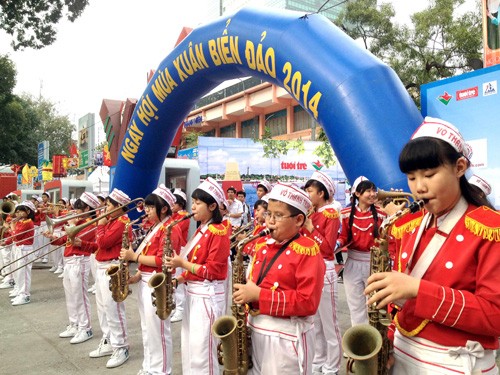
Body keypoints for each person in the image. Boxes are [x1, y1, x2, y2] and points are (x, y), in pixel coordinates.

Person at [365, 117, 500, 374]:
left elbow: (495, 316)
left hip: (455, 362)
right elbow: (403, 303)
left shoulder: (491, 229)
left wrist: (417, 289)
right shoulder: (411, 225)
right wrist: (387, 342)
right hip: (403, 353)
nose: (419, 188)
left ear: (460, 167)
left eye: (429, 175)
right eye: (412, 178)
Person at [233, 183, 326, 374]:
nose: (270, 221)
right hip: (255, 330)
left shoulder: (308, 250)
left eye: (278, 215)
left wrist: (259, 294)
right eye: (268, 214)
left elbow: (307, 302)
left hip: (285, 339)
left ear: (299, 219)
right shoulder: (263, 245)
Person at [165, 177, 230, 375]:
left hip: (207, 296)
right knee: (190, 346)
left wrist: (181, 264)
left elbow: (212, 271)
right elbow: (196, 265)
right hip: (193, 294)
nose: (193, 207)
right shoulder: (202, 229)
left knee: (203, 351)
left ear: (212, 206)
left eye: (197, 203)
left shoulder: (218, 231)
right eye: (192, 202)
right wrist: (178, 279)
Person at [120, 184, 185, 375]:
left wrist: (134, 258)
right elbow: (148, 258)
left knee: (158, 330)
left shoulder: (170, 228)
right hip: (147, 280)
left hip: (159, 282)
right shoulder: (155, 227)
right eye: (146, 207)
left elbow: (161, 260)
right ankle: (149, 366)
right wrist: (137, 276)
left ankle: (161, 370)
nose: (146, 211)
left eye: (150, 207)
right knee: (147, 328)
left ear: (163, 208)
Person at [46, 192, 99, 344]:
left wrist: (72, 225)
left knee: (79, 296)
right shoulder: (78, 222)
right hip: (69, 261)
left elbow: (77, 239)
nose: (75, 211)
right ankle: (74, 323)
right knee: (70, 295)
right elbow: (65, 240)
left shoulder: (91, 223)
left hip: (80, 261)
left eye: (78, 208)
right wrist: (53, 238)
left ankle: (85, 328)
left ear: (87, 208)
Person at [303, 171, 343, 375]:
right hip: (312, 269)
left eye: (310, 190)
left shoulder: (330, 213)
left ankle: (333, 365)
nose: (307, 194)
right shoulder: (313, 213)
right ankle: (319, 359)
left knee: (329, 323)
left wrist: (310, 229)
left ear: (321, 192)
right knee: (315, 322)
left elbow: (328, 248)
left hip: (325, 268)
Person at [90, 188, 132, 369]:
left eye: (108, 205)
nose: (105, 208)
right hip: (102, 265)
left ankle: (121, 346)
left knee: (113, 308)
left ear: (119, 207)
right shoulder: (111, 221)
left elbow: (103, 242)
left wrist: (100, 224)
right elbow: (98, 242)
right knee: (102, 307)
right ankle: (109, 339)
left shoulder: (122, 221)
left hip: (112, 266)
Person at [337, 176, 387, 326]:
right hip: (352, 263)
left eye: (373, 190)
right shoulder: (346, 213)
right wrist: (334, 244)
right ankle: (360, 344)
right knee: (356, 307)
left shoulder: (382, 214)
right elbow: (343, 237)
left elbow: (387, 240)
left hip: (375, 263)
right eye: (368, 191)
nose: (372, 194)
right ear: (357, 194)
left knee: (375, 306)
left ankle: (377, 343)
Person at [5, 201, 36, 305]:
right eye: (17, 212)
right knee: (17, 272)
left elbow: (17, 236)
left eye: (20, 212)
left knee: (24, 274)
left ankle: (25, 295)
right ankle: (19, 290)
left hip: (25, 249)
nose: (17, 214)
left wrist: (11, 227)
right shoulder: (21, 222)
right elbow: (14, 236)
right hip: (18, 248)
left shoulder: (28, 222)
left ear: (28, 211)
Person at [170, 187, 190, 323]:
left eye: (173, 203)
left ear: (180, 204)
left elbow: (173, 228)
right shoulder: (175, 216)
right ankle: (176, 306)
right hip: (175, 249)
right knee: (174, 278)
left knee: (179, 281)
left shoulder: (183, 216)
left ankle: (181, 309)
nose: (171, 206)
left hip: (181, 250)